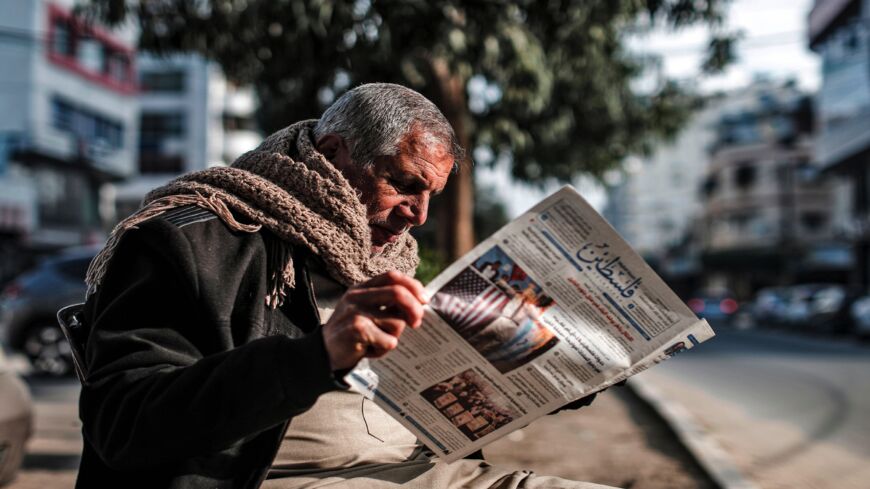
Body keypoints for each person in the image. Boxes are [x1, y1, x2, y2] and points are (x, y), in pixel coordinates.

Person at [74, 83, 613, 489]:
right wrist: (317, 355)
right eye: (404, 184)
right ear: (333, 154)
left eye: (432, 196)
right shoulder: (192, 239)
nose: (419, 216)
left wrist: (563, 365)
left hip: (425, 468)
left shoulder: (387, 256)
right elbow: (123, 423)